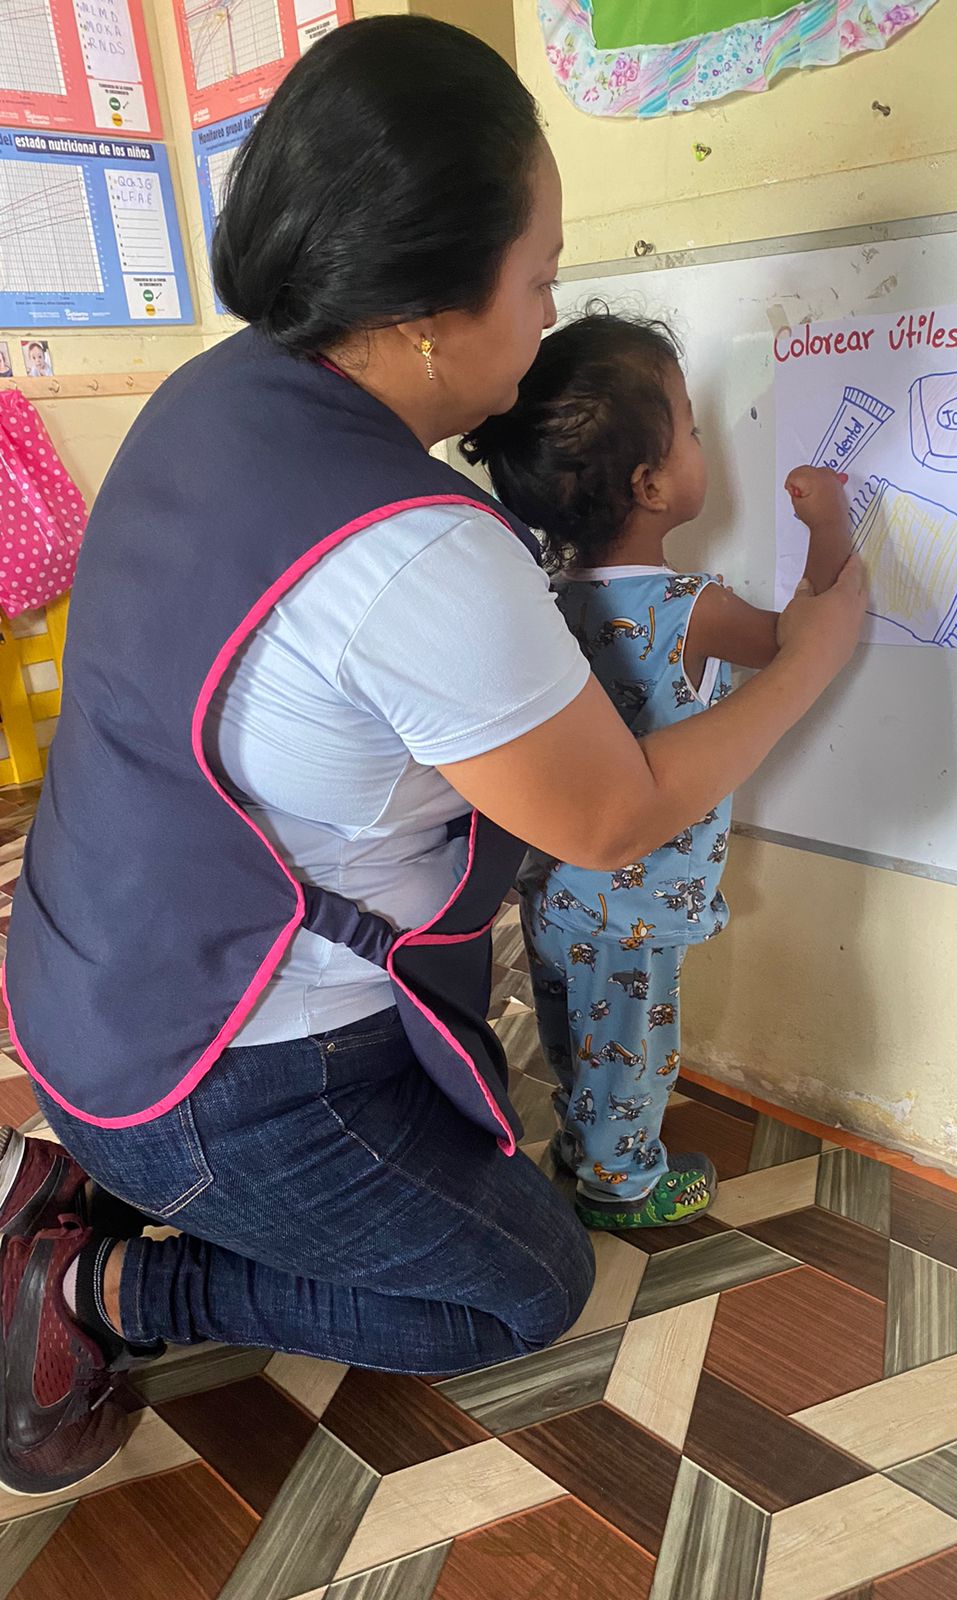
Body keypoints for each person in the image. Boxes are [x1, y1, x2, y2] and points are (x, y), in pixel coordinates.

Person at [0, 16, 866, 1496]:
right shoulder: (420, 551)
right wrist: (820, 654)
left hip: (81, 1002)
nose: (548, 317)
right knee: (524, 1286)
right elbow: (612, 817)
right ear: (422, 314)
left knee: (478, 1163)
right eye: (539, 279)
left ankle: (82, 1174)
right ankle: (105, 1284)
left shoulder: (217, 392)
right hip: (223, 1073)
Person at [464, 312, 855, 1228]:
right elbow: (801, 637)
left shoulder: (543, 602)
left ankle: (584, 1148)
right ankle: (623, 1189)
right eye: (692, 428)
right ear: (650, 485)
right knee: (632, 1051)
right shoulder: (690, 607)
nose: (702, 443)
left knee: (580, 1038)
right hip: (640, 901)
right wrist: (829, 524)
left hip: (558, 888)